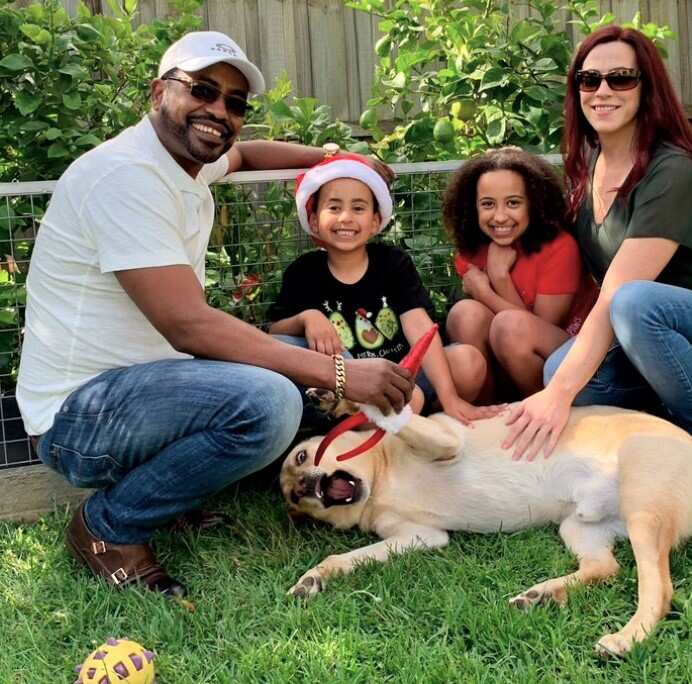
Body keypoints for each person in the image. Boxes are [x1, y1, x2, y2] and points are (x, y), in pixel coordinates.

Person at [16, 31, 415, 598]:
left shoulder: (183, 162)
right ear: (159, 92)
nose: (219, 111)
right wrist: (343, 375)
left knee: (303, 358)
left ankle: (165, 497)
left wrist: (337, 159)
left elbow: (249, 153)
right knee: (272, 400)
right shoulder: (126, 176)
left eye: (234, 102)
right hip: (79, 418)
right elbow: (188, 325)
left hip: (139, 391)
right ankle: (107, 527)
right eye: (202, 90)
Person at [503, 26, 692, 475]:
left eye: (621, 78)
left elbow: (618, 293)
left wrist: (555, 400)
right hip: (658, 337)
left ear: (646, 88)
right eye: (589, 79)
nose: (602, 91)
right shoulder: (590, 163)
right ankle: (659, 424)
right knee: (560, 371)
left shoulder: (670, 168)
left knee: (631, 302)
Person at [267, 153, 495, 424]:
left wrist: (450, 397)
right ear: (314, 220)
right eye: (334, 207)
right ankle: (380, 426)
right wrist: (307, 318)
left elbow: (419, 327)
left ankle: (432, 420)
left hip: (403, 374)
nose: (346, 218)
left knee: (468, 362)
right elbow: (274, 333)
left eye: (359, 208)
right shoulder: (304, 271)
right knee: (408, 401)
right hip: (350, 386)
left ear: (376, 221)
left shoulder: (392, 262)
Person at [443, 147, 597, 398]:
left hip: (565, 354)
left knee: (510, 326)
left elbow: (533, 329)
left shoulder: (559, 247)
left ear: (534, 204)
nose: (500, 216)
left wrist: (495, 282)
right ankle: (490, 409)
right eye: (488, 204)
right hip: (508, 351)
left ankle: (539, 406)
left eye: (513, 203)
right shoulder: (471, 251)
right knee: (464, 314)